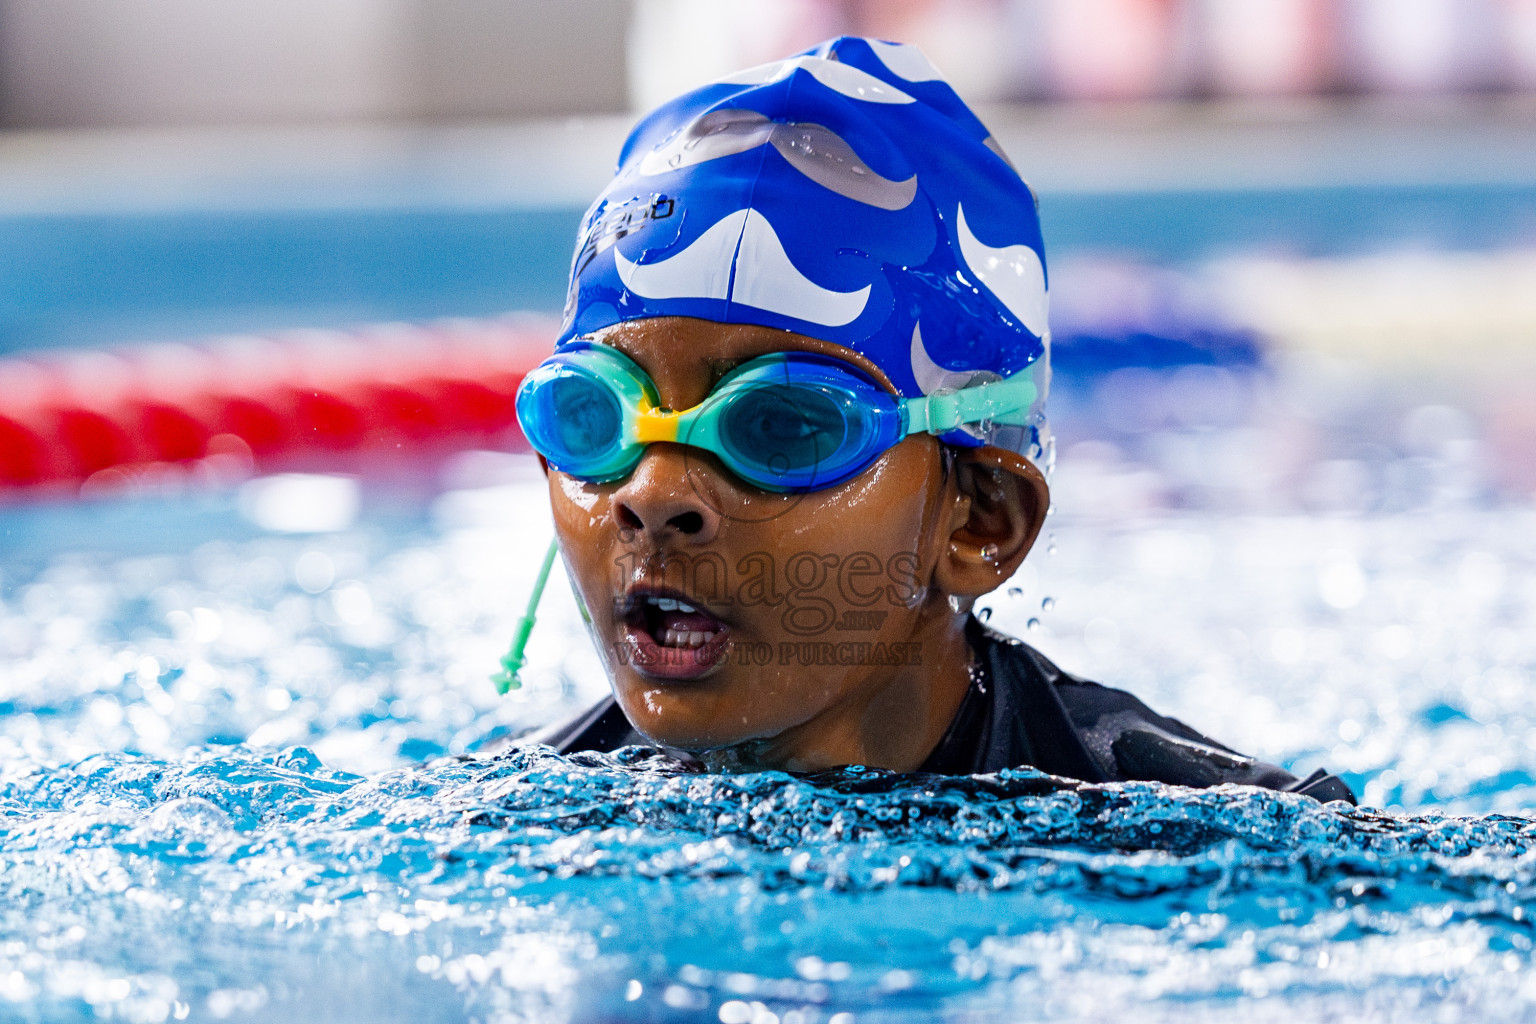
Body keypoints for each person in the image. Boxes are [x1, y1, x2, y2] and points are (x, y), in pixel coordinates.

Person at [509, 36, 1354, 802]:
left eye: (782, 427)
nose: (651, 494)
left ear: (981, 519)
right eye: (593, 415)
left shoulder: (1184, 828)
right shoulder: (523, 811)